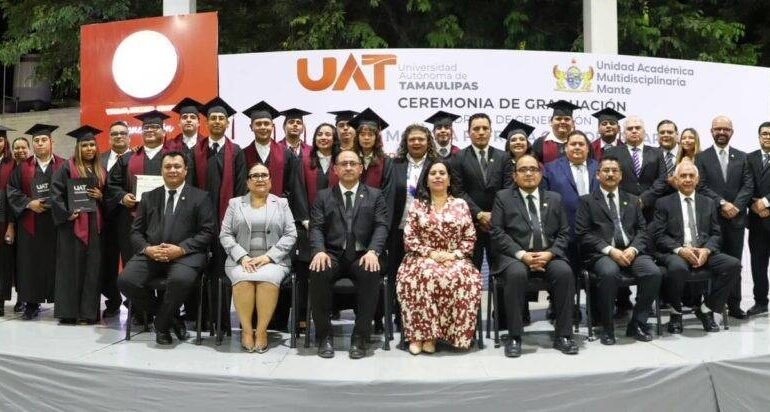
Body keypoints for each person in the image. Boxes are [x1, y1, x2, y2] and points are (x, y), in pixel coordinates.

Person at [117, 151, 216, 345]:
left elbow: (208, 232)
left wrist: (181, 249)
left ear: (186, 170)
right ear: (161, 170)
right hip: (153, 253)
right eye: (168, 167)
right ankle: (171, 318)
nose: (172, 170)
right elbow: (136, 232)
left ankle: (162, 326)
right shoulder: (148, 197)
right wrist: (147, 249)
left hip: (186, 255)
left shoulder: (201, 197)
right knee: (126, 281)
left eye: (177, 166)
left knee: (179, 280)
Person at [490, 154, 578, 357]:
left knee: (564, 272)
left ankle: (563, 335)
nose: (528, 173)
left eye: (533, 169)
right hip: (515, 257)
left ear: (540, 174)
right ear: (514, 175)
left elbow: (565, 232)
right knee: (516, 275)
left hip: (549, 255)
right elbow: (498, 233)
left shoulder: (554, 198)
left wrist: (550, 254)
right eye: (523, 169)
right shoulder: (503, 198)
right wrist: (522, 255)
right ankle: (514, 336)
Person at [308, 150, 389, 359]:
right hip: (333, 254)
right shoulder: (324, 196)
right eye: (343, 163)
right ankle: (324, 336)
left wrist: (373, 251)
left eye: (353, 163)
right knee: (318, 270)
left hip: (363, 254)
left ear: (361, 168)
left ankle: (359, 337)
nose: (349, 167)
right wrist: (319, 251)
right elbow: (316, 227)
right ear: (335, 169)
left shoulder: (375, 194)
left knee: (372, 270)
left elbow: (381, 226)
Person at [575, 155, 662, 345]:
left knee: (653, 272)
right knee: (609, 273)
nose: (610, 174)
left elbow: (642, 230)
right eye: (606, 170)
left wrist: (633, 249)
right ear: (597, 175)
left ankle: (638, 323)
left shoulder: (632, 200)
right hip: (602, 254)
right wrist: (610, 250)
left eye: (614, 170)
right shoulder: (587, 201)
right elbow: (583, 234)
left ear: (621, 175)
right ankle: (607, 326)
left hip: (631, 251)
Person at [397, 159, 481, 354]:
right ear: (426, 181)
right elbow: (410, 237)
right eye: (433, 173)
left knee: (466, 278)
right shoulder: (417, 205)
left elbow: (470, 238)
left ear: (449, 180)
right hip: (420, 256)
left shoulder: (461, 205)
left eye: (442, 173)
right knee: (420, 276)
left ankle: (450, 336)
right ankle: (421, 336)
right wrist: (431, 254)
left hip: (455, 258)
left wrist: (454, 255)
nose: (437, 177)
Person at [650, 160, 740, 333]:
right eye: (683, 176)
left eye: (691, 176)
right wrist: (681, 250)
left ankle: (706, 309)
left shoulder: (708, 202)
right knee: (677, 268)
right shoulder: (663, 203)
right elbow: (659, 236)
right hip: (675, 252)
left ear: (697, 180)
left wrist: (706, 250)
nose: (687, 179)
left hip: (703, 251)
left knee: (733, 265)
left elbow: (716, 234)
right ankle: (676, 312)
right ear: (676, 179)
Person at [220, 163, 297, 352]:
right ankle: (247, 331)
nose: (260, 179)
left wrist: (268, 257)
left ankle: (261, 331)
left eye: (264, 175)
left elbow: (291, 234)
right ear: (248, 181)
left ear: (270, 181)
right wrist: (242, 257)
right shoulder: (235, 203)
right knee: (243, 279)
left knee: (267, 279)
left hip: (273, 261)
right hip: (240, 260)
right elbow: (225, 234)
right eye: (255, 175)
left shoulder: (281, 203)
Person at [241, 100, 304, 330]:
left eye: (267, 123)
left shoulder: (285, 154)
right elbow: (240, 187)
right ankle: (253, 321)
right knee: (252, 269)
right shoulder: (243, 154)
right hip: (250, 221)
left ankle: (277, 321)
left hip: (278, 220)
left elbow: (293, 187)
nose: (263, 127)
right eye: (258, 123)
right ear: (251, 127)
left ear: (273, 126)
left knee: (278, 266)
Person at [694, 116, 753, 319]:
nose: (721, 132)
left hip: (736, 220)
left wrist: (736, 206)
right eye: (717, 129)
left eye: (725, 129)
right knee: (712, 263)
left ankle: (734, 305)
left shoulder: (742, 157)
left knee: (735, 263)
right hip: (712, 220)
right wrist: (722, 203)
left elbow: (748, 185)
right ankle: (709, 306)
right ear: (711, 131)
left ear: (732, 132)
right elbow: (700, 186)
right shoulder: (701, 157)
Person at [6, 124, 65, 320]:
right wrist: (29, 203)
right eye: (37, 141)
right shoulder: (23, 167)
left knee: (56, 263)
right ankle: (31, 304)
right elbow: (12, 191)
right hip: (30, 223)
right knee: (29, 264)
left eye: (43, 140)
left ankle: (61, 302)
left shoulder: (64, 165)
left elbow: (71, 191)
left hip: (57, 223)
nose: (40, 144)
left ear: (51, 142)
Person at [50, 126, 107, 324]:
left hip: (94, 224)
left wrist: (102, 196)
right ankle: (69, 313)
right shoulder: (67, 167)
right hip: (72, 225)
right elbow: (55, 193)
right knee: (70, 268)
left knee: (92, 268)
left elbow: (108, 195)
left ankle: (88, 314)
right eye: (85, 145)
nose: (89, 148)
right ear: (78, 148)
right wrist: (67, 212)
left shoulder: (101, 169)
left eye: (92, 144)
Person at [386, 124, 436, 333]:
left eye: (421, 139)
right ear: (405, 143)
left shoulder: (437, 164)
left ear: (428, 142)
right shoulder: (394, 164)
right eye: (412, 139)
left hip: (427, 232)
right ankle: (399, 316)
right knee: (398, 274)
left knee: (423, 275)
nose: (416, 143)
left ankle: (424, 318)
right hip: (398, 228)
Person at [451, 113, 513, 271]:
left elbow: (508, 189)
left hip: (498, 225)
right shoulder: (458, 157)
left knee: (501, 272)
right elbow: (458, 191)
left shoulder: (503, 157)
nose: (481, 132)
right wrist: (479, 214)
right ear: (469, 132)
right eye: (476, 128)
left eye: (485, 128)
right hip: (470, 225)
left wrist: (494, 215)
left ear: (491, 131)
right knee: (471, 272)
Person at [294, 123, 341, 329]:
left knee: (329, 270)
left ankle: (327, 313)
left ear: (334, 138)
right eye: (320, 134)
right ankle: (303, 317)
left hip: (337, 228)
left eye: (328, 134)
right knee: (305, 271)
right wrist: (305, 220)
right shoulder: (304, 161)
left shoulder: (341, 162)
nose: (324, 137)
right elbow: (297, 190)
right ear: (314, 138)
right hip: (307, 228)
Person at [604, 116, 672, 222]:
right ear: (623, 134)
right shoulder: (612, 152)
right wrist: (630, 201)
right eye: (630, 129)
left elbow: (662, 180)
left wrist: (643, 199)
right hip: (622, 208)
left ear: (644, 132)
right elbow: (609, 179)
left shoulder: (657, 153)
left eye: (637, 128)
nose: (634, 131)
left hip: (652, 209)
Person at [99, 121, 131, 318]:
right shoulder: (99, 159)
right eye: (114, 134)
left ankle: (132, 301)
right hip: (105, 219)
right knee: (107, 264)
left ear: (129, 137)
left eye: (122, 133)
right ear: (109, 137)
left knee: (130, 262)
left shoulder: (136, 157)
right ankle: (112, 300)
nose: (118, 136)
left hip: (129, 219)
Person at [747, 121, 770, 316]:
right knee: (758, 265)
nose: (767, 137)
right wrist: (754, 205)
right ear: (759, 136)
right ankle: (761, 302)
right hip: (757, 222)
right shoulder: (749, 158)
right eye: (764, 133)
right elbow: (745, 186)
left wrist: (766, 202)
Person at [350, 108, 393, 195]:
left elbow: (388, 192)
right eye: (362, 134)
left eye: (370, 134)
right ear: (357, 137)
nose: (366, 138)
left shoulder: (386, 161)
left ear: (376, 138)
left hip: (377, 207)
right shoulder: (350, 158)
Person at [0, 126, 16, 315]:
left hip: (4, 220)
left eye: (0, 140)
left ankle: (0, 302)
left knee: (3, 263)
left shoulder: (12, 164)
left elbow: (13, 196)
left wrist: (11, 225)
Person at [532, 100, 580, 164]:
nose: (563, 122)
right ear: (551, 122)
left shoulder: (580, 143)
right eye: (558, 119)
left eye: (567, 119)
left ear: (573, 123)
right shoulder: (540, 142)